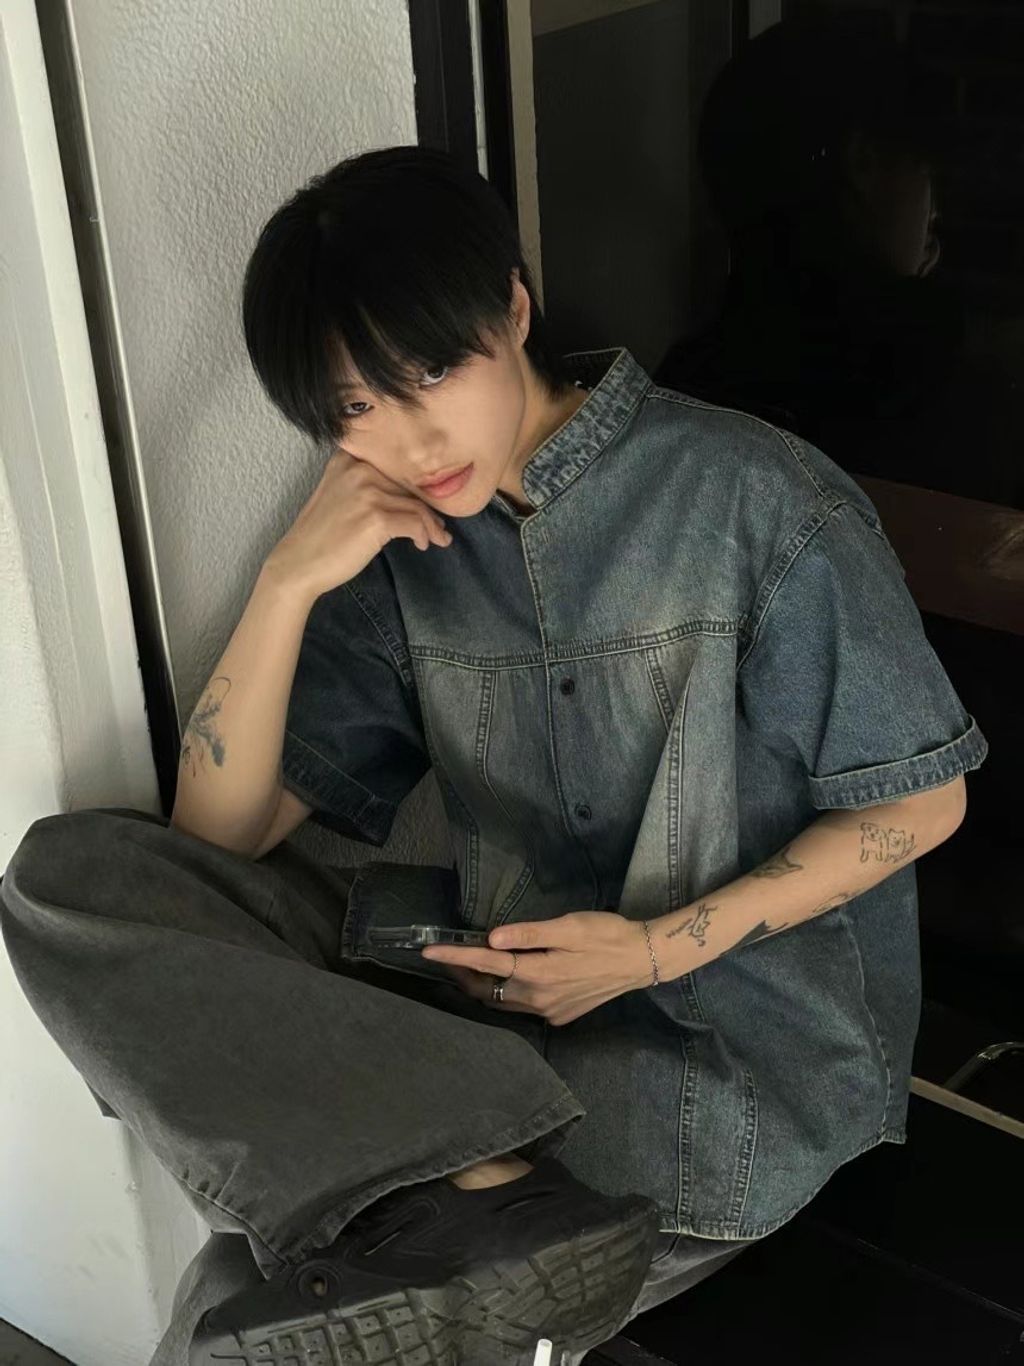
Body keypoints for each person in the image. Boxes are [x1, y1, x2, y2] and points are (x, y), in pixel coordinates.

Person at [0, 143, 987, 1366]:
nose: (412, 438)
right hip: (484, 1016)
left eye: (429, 373)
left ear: (512, 308)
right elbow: (213, 847)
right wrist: (286, 580)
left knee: (233, 1312)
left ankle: (471, 1209)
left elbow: (923, 802)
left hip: (714, 1049)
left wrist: (645, 949)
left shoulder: (754, 497)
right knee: (72, 877)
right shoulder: (405, 540)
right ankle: (470, 1187)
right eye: (356, 408)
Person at [655, 11, 1024, 510]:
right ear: (865, 162)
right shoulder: (947, 388)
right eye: (923, 173)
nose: (934, 209)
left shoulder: (685, 383)